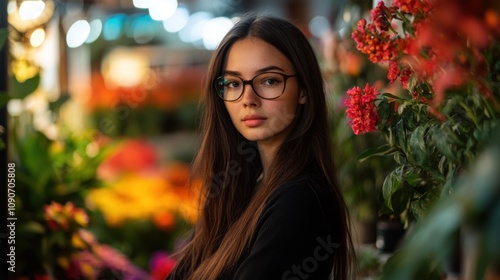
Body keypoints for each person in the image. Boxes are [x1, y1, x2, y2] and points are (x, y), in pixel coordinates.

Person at [166, 13, 355, 280]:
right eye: (233, 83)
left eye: (269, 81)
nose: (248, 99)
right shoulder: (241, 185)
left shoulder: (300, 199)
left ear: (304, 90)